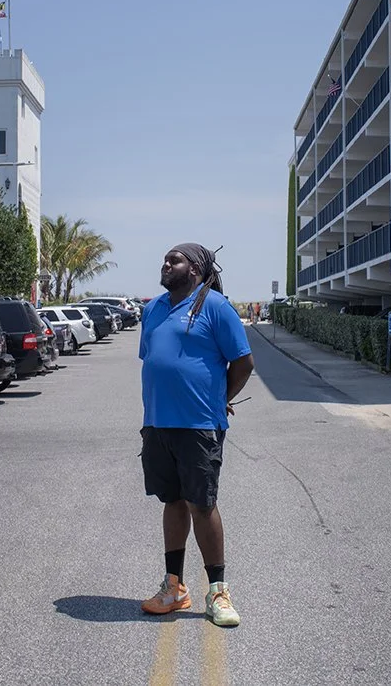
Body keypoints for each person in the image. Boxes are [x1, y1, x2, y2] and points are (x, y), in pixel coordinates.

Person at [139, 243, 254, 628]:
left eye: (175, 259)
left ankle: (218, 592)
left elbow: (243, 361)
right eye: (165, 257)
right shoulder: (152, 309)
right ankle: (174, 588)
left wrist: (221, 399)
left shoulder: (216, 307)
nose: (166, 263)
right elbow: (155, 360)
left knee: (201, 505)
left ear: (196, 269)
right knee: (172, 501)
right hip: (158, 423)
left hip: (199, 425)